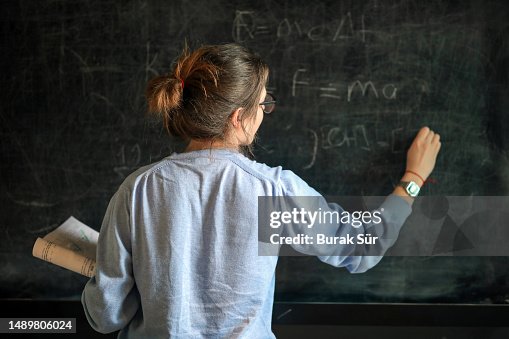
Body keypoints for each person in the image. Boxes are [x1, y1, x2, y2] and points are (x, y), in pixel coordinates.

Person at [82, 43, 441, 338]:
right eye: (263, 104)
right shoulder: (272, 190)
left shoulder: (138, 190)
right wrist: (412, 179)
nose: (265, 113)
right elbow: (361, 247)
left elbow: (106, 315)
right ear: (239, 117)